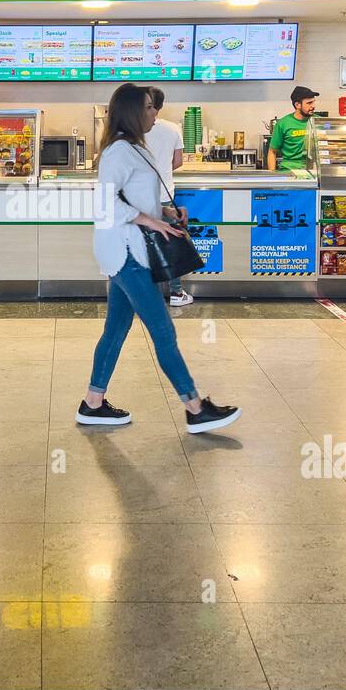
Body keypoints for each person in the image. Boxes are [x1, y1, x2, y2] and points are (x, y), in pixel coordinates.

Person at [81, 83, 240, 433]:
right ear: (133, 112)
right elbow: (105, 204)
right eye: (150, 107)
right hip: (126, 252)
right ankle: (195, 408)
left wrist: (165, 211)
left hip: (129, 248)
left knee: (116, 328)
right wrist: (150, 220)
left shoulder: (137, 148)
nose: (155, 112)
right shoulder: (118, 152)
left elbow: (136, 199)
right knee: (164, 330)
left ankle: (92, 403)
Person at [144, 86, 192, 307]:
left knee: (143, 246)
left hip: (140, 198)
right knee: (169, 244)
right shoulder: (173, 129)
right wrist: (162, 169)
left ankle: (145, 294)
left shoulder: (132, 130)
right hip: (164, 196)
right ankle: (176, 293)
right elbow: (178, 162)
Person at [267, 86, 318, 171]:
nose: (313, 106)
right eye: (309, 103)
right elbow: (272, 152)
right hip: (289, 172)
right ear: (297, 105)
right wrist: (272, 176)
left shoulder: (318, 122)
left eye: (313, 102)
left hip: (313, 171)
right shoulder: (283, 124)